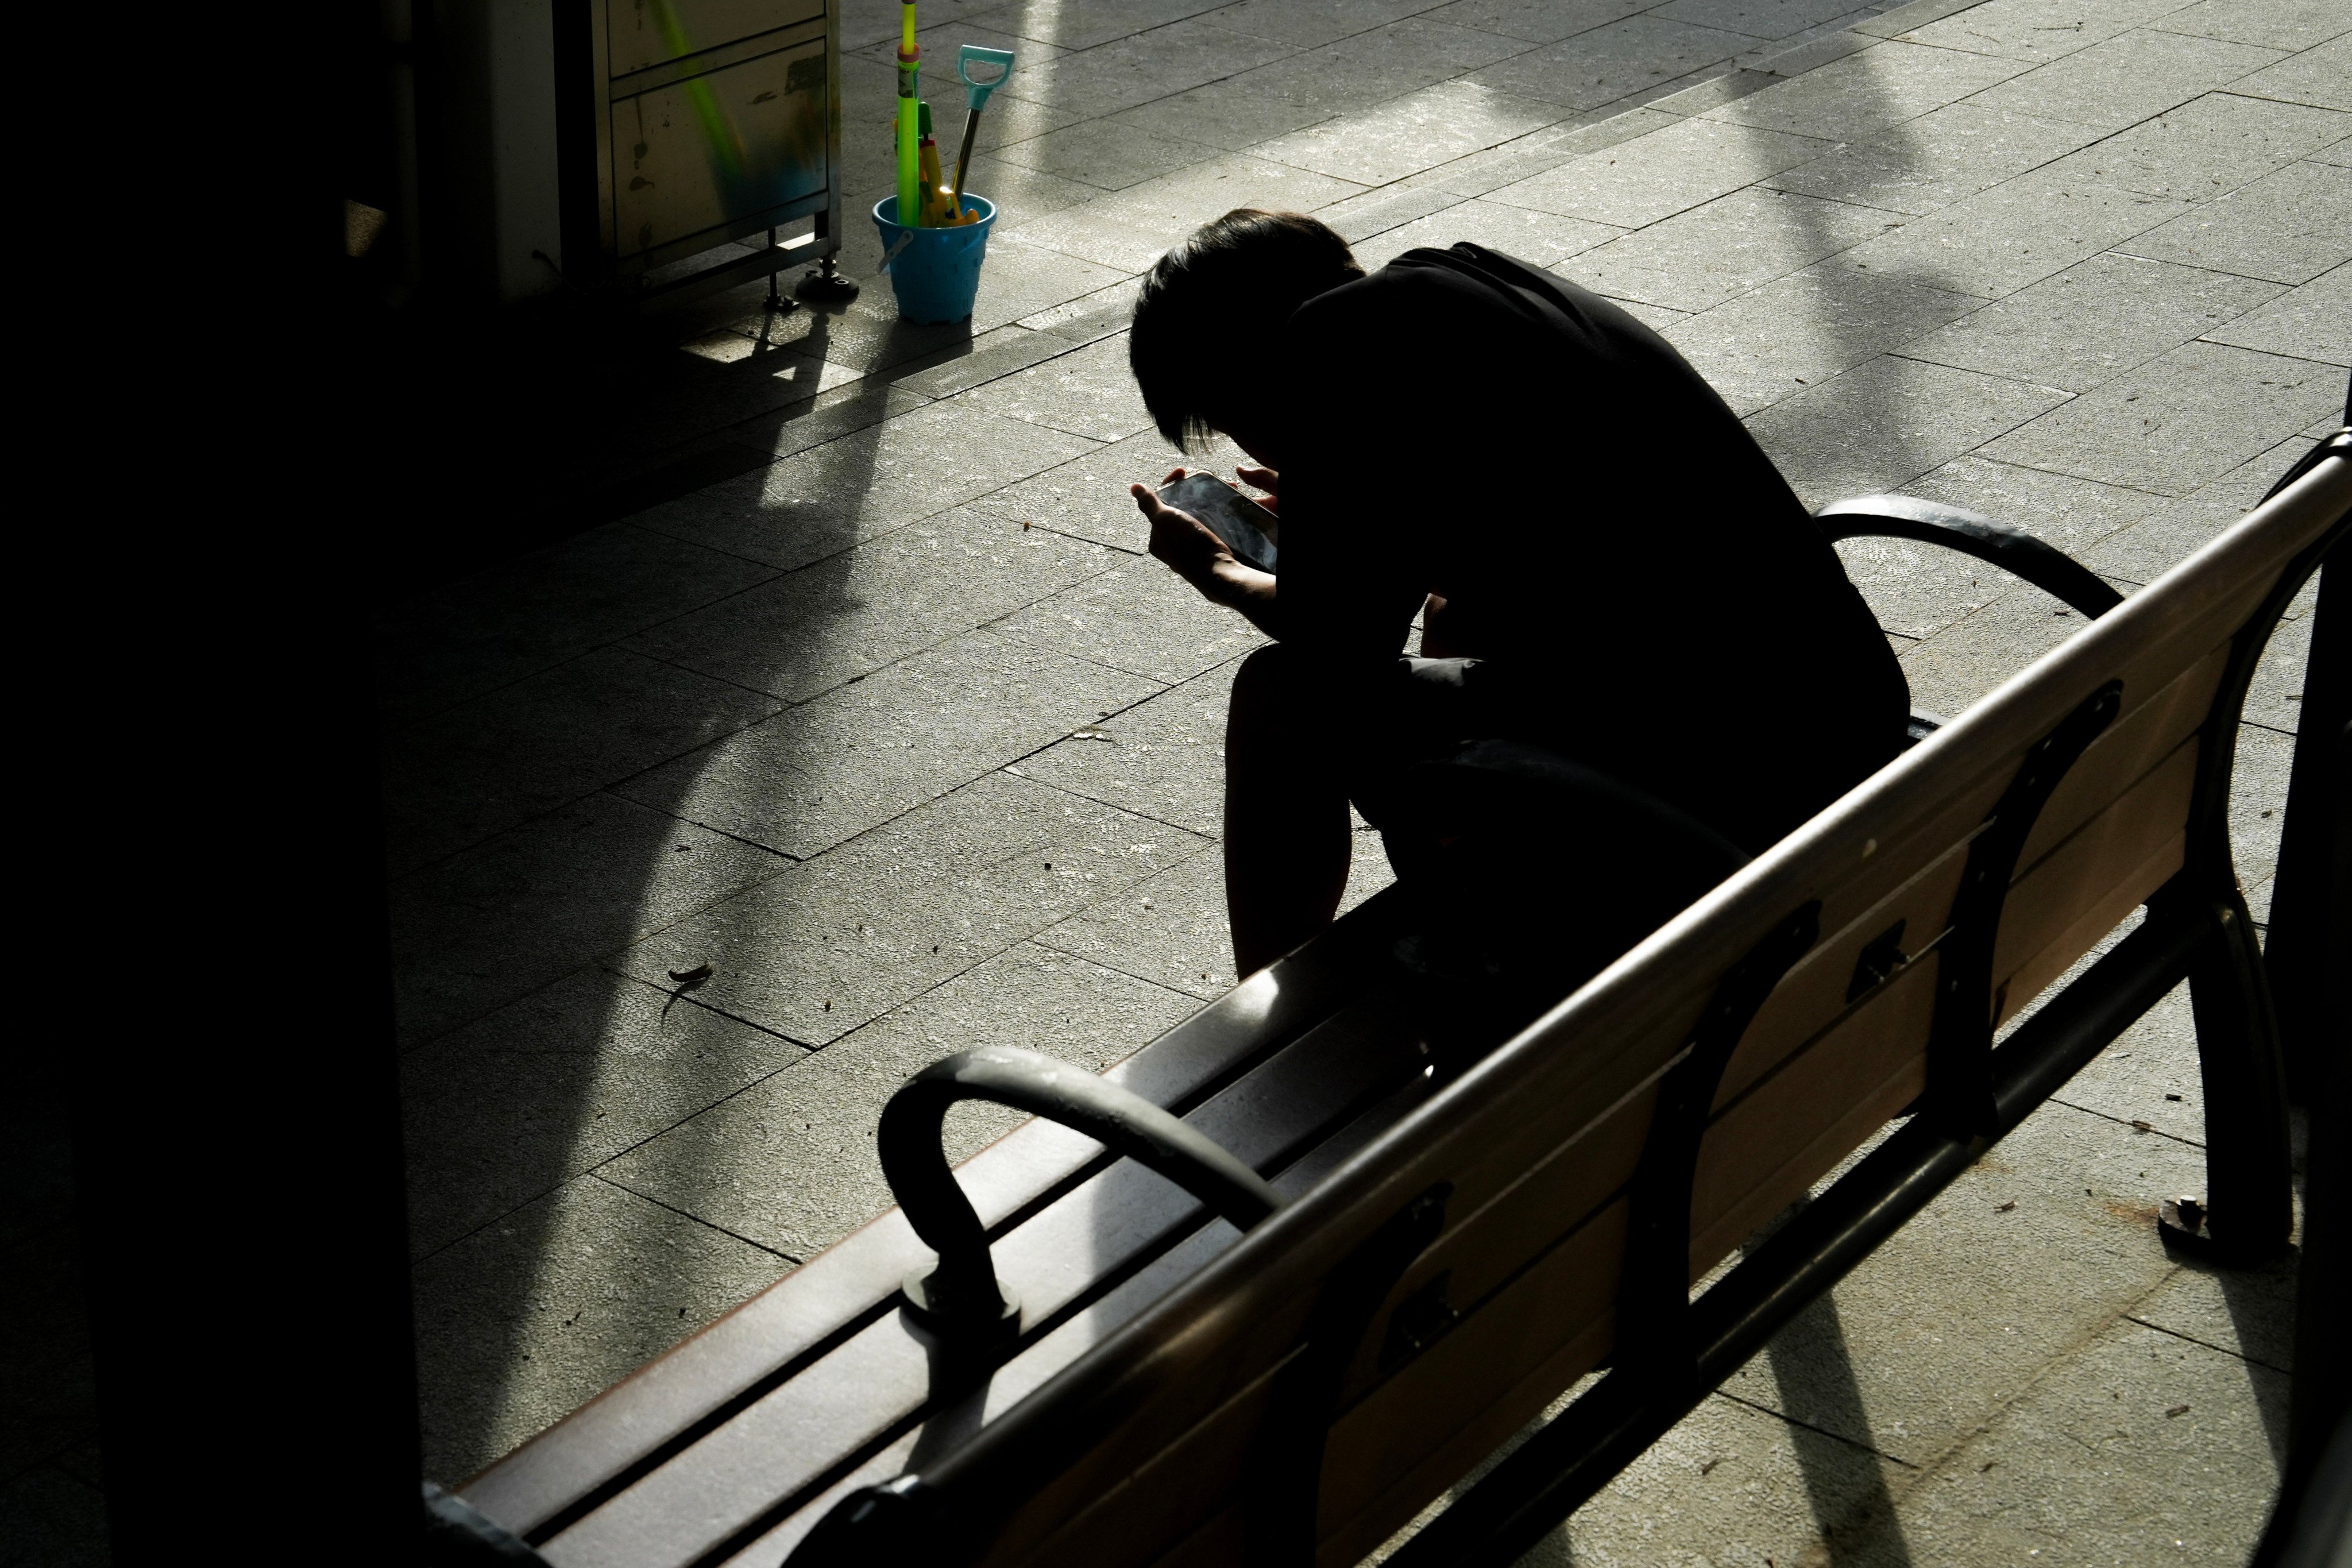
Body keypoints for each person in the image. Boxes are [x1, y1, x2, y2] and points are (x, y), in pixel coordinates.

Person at [1125, 208, 1911, 978]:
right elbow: (1545, 527)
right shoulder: (1469, 280)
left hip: (1724, 794)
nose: (1254, 446)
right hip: (1842, 722)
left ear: (1247, 371)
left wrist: (1222, 573)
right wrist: (1351, 508)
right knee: (1452, 614)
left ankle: (1261, 1047)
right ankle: (1482, 898)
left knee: (1281, 700)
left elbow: (1334, 643)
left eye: (1230, 423)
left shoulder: (1328, 347)